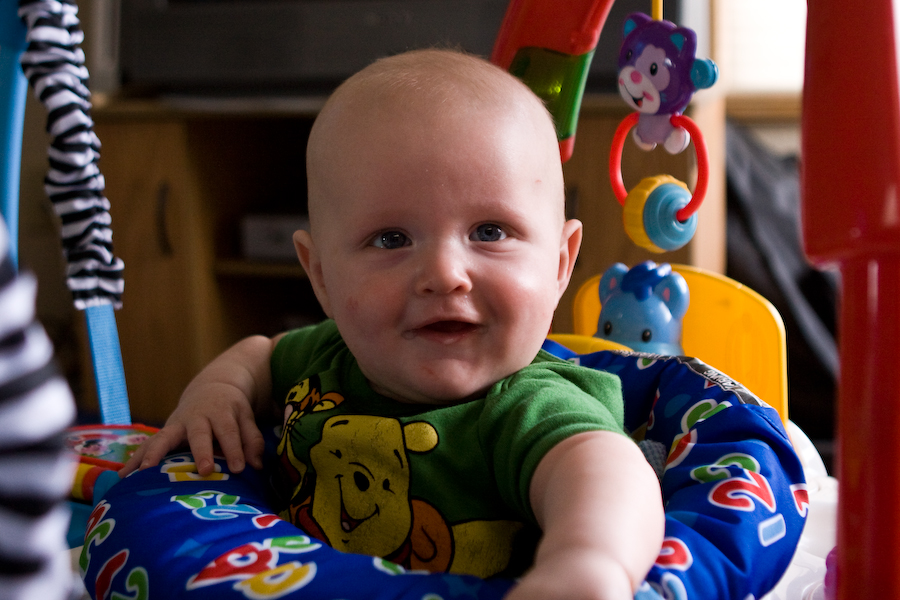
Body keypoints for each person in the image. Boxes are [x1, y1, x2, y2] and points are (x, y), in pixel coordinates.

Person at [121, 49, 664, 600]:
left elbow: (607, 475)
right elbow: (259, 354)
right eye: (391, 239)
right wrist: (217, 392)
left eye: (491, 231)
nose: (445, 275)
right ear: (322, 277)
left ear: (559, 264)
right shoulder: (329, 355)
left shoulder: (528, 408)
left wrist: (587, 563)